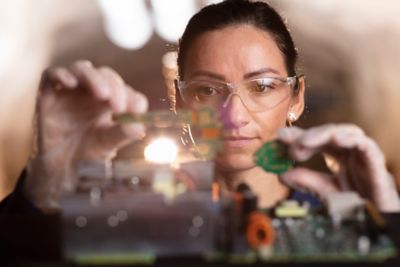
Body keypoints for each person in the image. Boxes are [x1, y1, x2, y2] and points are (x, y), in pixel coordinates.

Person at [8, 0, 399, 213]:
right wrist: (47, 187)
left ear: (296, 98)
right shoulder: (132, 216)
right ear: (179, 102)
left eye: (261, 86)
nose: (234, 115)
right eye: (208, 91)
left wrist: (390, 220)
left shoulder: (341, 220)